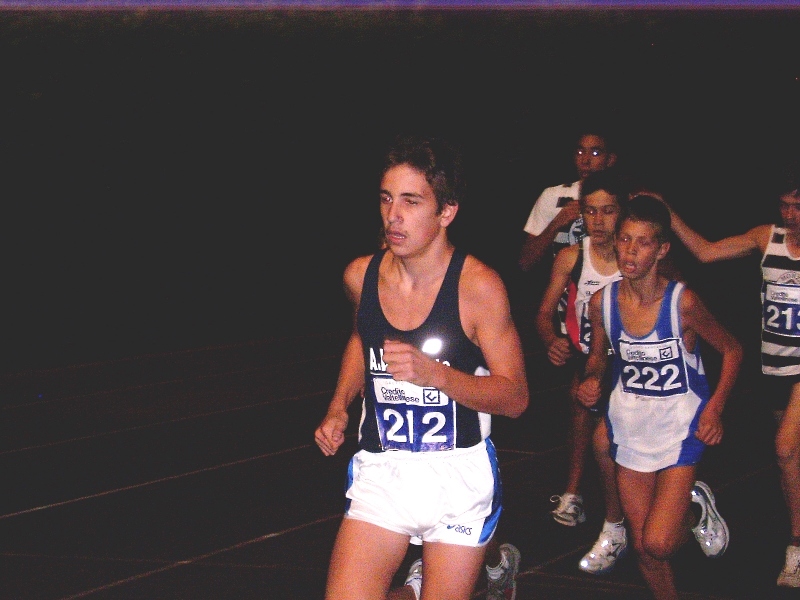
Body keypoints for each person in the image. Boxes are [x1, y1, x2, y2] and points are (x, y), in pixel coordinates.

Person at [314, 134, 530, 600]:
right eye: (386, 198)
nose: (393, 215)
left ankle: (448, 581)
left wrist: (437, 375)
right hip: (384, 469)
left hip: (457, 476)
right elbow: (362, 337)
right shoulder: (361, 276)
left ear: (446, 211)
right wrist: (339, 405)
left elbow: (516, 398)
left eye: (411, 202)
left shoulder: (479, 287)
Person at [576, 196, 742, 600]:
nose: (630, 251)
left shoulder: (682, 303)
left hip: (680, 430)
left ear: (662, 249)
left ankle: (695, 508)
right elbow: (597, 359)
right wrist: (591, 379)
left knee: (659, 543)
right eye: (625, 239)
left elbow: (733, 350)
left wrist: (715, 408)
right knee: (644, 550)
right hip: (631, 429)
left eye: (643, 242)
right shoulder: (602, 303)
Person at [664, 161, 800, 587]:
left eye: (797, 207)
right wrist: (668, 213)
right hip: (774, 366)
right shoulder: (766, 237)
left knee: (784, 449)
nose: (790, 214)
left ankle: (795, 549)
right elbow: (706, 252)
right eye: (784, 205)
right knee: (792, 460)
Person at [535, 167, 627, 574]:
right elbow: (543, 313)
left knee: (615, 442)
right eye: (591, 211)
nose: (599, 220)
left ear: (622, 212)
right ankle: (577, 495)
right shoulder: (572, 257)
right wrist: (550, 340)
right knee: (585, 413)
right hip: (589, 357)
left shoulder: (635, 255)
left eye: (608, 211)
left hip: (632, 362)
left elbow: (678, 299)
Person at [518, 129, 618, 273]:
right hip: (562, 282)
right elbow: (525, 262)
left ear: (610, 159)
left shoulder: (622, 198)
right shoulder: (553, 195)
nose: (585, 160)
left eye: (595, 153)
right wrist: (556, 224)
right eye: (580, 152)